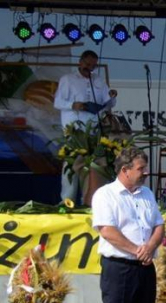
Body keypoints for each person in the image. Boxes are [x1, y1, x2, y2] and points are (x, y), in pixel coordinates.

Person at [91, 147, 163, 303]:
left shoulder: (146, 194)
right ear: (125, 170)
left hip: (144, 269)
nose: (145, 173)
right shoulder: (106, 195)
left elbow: (159, 225)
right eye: (140, 169)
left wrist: (150, 247)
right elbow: (107, 230)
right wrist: (135, 250)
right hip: (118, 268)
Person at [54, 50, 118, 202]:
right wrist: (73, 104)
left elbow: (109, 103)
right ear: (80, 62)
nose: (89, 68)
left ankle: (88, 200)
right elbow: (57, 102)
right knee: (71, 165)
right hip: (74, 131)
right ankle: (67, 201)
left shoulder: (98, 80)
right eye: (87, 64)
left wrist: (112, 95)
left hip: (94, 129)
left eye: (93, 66)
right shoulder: (68, 79)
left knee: (93, 166)